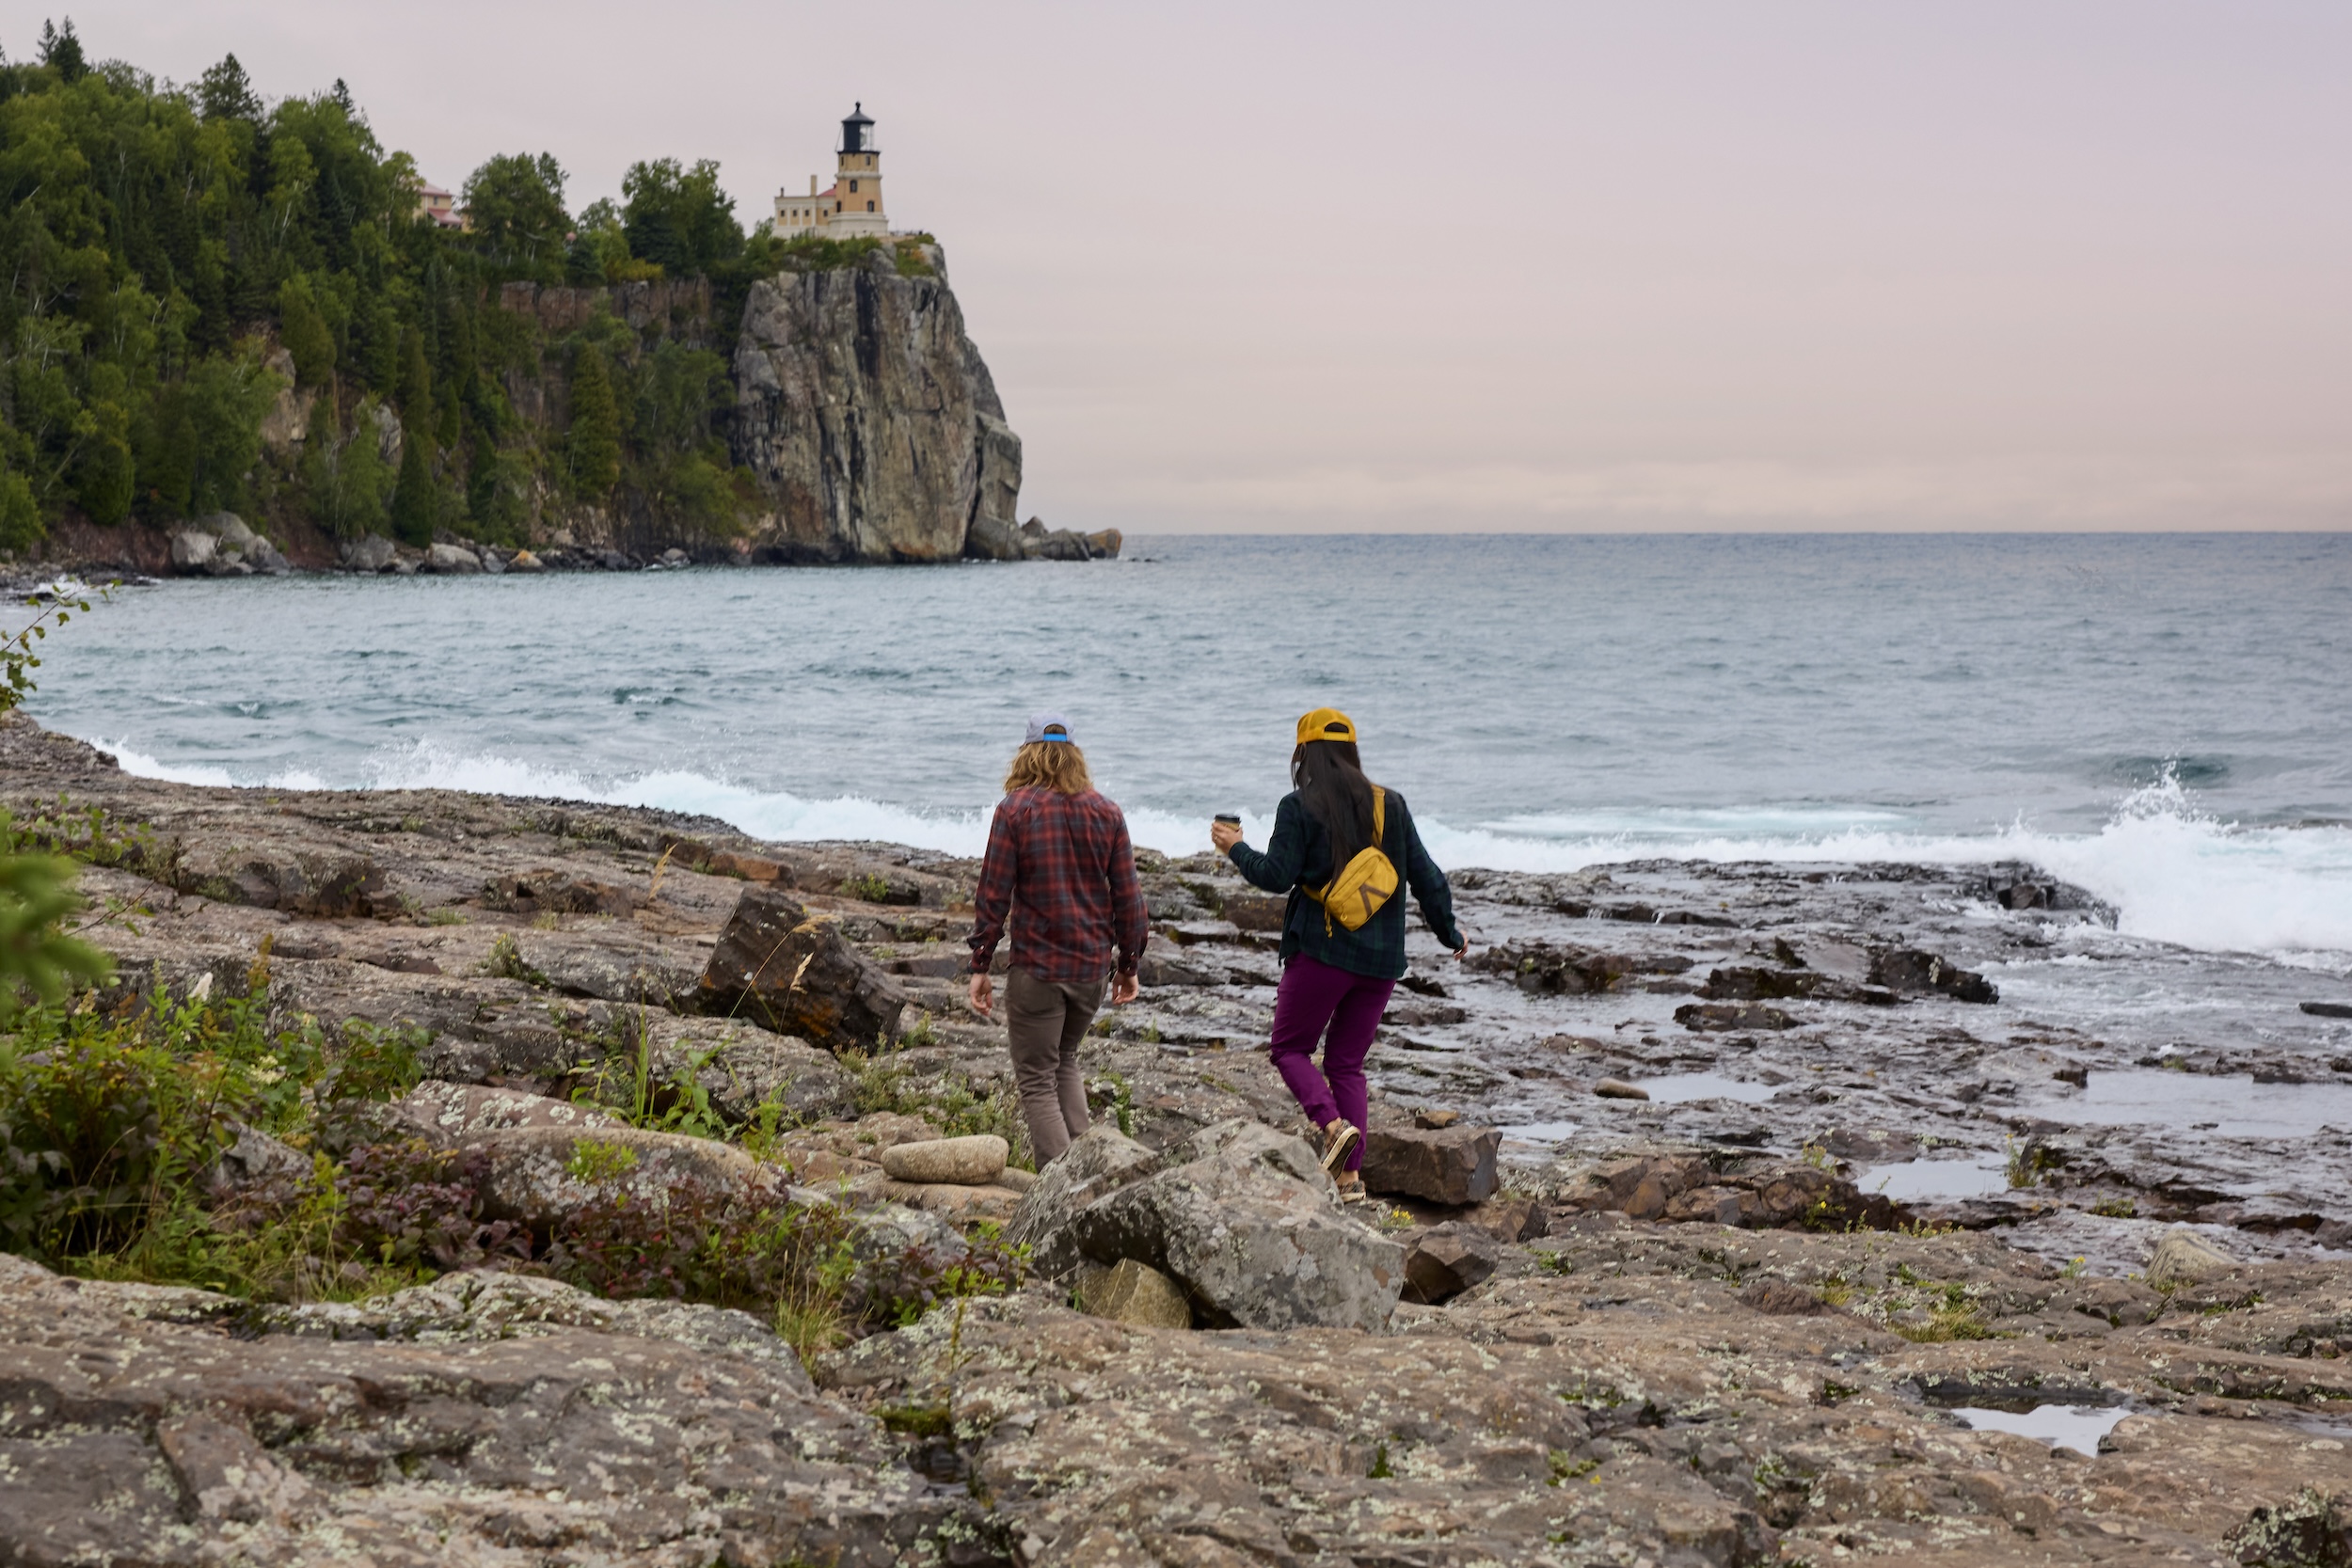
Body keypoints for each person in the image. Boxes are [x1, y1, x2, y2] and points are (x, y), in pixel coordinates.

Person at [1212, 707, 1466, 1202]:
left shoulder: (1299, 806)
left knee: (1289, 1048)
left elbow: (1274, 876)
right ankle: (1350, 1179)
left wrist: (1235, 848)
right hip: (1381, 964)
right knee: (1347, 1065)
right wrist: (1450, 933)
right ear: (1351, 751)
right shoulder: (1390, 804)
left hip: (1323, 955)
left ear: (1303, 752)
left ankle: (1331, 1127)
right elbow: (1428, 878)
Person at [967, 712, 1150, 1164]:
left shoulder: (1014, 810)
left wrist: (980, 966)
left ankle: (1062, 1190)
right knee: (1065, 1059)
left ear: (1028, 754)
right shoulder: (1107, 812)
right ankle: (1086, 1170)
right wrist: (1128, 965)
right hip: (1089, 968)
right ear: (1074, 756)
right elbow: (1129, 898)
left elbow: (993, 893)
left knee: (1035, 1078)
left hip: (1037, 969)